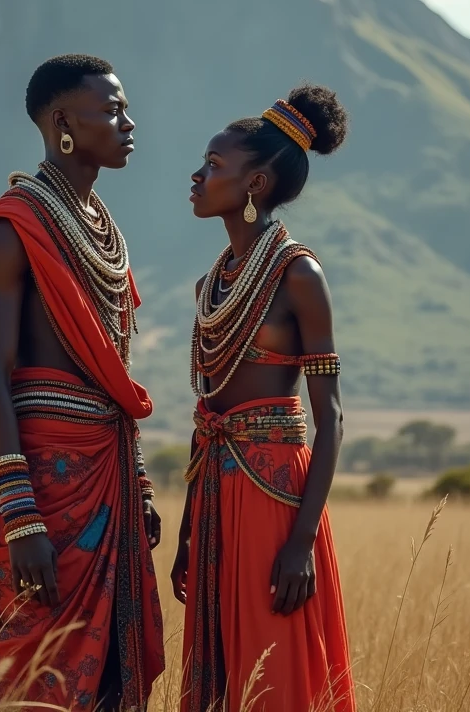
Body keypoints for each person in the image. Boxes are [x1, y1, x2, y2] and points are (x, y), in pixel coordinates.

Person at [0, 54, 164, 712]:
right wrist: (20, 515)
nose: (128, 123)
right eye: (113, 110)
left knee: (106, 682)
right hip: (42, 489)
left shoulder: (100, 226)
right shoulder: (16, 226)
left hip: (106, 479)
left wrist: (139, 481)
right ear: (64, 122)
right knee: (31, 678)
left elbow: (112, 375)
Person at [172, 84, 356, 712]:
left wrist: (301, 542)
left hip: (276, 500)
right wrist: (185, 537)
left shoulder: (300, 276)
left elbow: (328, 418)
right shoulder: (210, 283)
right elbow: (209, 416)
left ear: (255, 184)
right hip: (215, 501)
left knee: (273, 675)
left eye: (214, 166)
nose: (197, 177)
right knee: (218, 671)